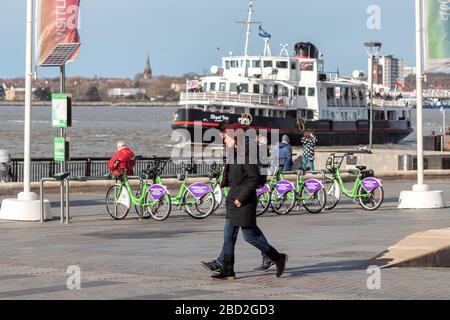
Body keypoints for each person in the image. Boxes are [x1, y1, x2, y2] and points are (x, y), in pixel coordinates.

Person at [202, 123, 288, 280]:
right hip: (232, 199)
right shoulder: (234, 152)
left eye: (226, 137)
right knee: (228, 235)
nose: (224, 139)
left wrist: (240, 198)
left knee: (250, 236)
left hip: (243, 201)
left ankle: (277, 257)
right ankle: (227, 269)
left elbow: (254, 178)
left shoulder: (246, 154)